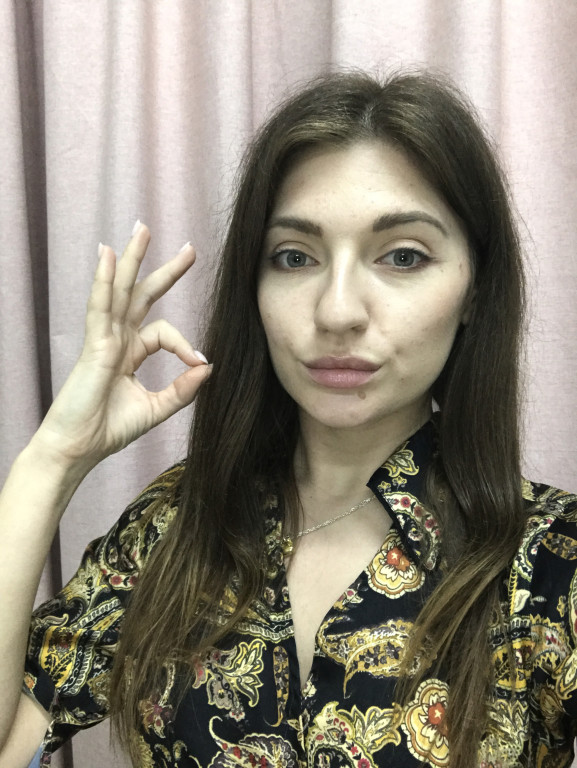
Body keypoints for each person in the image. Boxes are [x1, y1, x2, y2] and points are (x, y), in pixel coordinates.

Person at [1, 69, 576, 768]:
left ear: (475, 291)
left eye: (402, 257)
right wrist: (52, 460)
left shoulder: (550, 563)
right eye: (294, 257)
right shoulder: (176, 527)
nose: (336, 311)